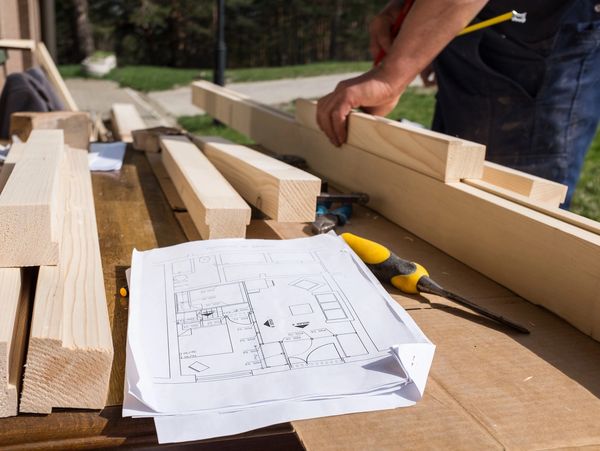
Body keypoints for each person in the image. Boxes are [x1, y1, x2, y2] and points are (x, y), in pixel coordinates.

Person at [317, 0, 600, 207]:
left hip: (539, 28)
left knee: (510, 216)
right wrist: (415, 18)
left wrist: (391, 76)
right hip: (484, 15)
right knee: (454, 191)